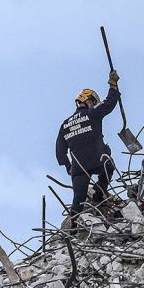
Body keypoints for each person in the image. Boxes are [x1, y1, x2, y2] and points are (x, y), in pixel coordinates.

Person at [56, 69, 121, 221]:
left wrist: (68, 166)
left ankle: (72, 231)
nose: (94, 105)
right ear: (88, 101)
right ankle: (98, 197)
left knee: (77, 201)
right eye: (93, 102)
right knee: (109, 167)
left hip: (78, 168)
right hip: (97, 160)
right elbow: (109, 103)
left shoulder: (65, 125)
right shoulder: (92, 113)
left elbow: (60, 151)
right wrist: (113, 85)